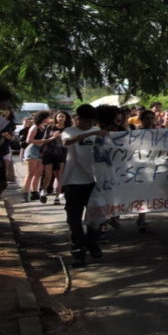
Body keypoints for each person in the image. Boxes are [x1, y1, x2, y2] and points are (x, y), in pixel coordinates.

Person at [60, 104, 105, 266]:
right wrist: (91, 133)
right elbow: (66, 142)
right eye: (85, 121)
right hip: (74, 182)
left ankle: (93, 243)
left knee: (97, 216)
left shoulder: (98, 132)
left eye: (91, 121)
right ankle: (79, 252)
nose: (88, 124)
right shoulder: (70, 131)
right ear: (77, 118)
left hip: (94, 181)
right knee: (74, 220)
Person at [38, 110, 72, 204]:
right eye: (59, 116)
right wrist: (53, 137)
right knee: (48, 176)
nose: (61, 118)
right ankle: (43, 192)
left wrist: (63, 137)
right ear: (56, 117)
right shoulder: (50, 127)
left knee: (59, 176)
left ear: (66, 118)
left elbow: (71, 142)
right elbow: (43, 140)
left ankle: (57, 198)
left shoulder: (68, 129)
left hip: (62, 154)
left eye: (63, 116)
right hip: (49, 153)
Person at [21, 111, 51, 202]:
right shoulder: (34, 127)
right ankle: (25, 193)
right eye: (47, 117)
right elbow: (29, 140)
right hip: (32, 151)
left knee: (38, 173)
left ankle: (34, 192)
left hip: (41, 151)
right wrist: (43, 141)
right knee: (30, 173)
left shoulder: (44, 127)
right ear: (43, 118)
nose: (48, 119)